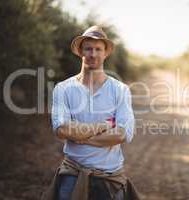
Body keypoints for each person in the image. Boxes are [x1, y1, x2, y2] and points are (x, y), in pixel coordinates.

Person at [42, 25, 140, 200]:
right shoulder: (63, 88)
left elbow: (123, 133)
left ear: (105, 53)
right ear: (80, 51)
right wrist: (103, 126)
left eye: (98, 49)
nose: (93, 54)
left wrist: (79, 136)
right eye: (88, 48)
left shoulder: (120, 89)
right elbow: (61, 130)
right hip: (73, 175)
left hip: (109, 177)